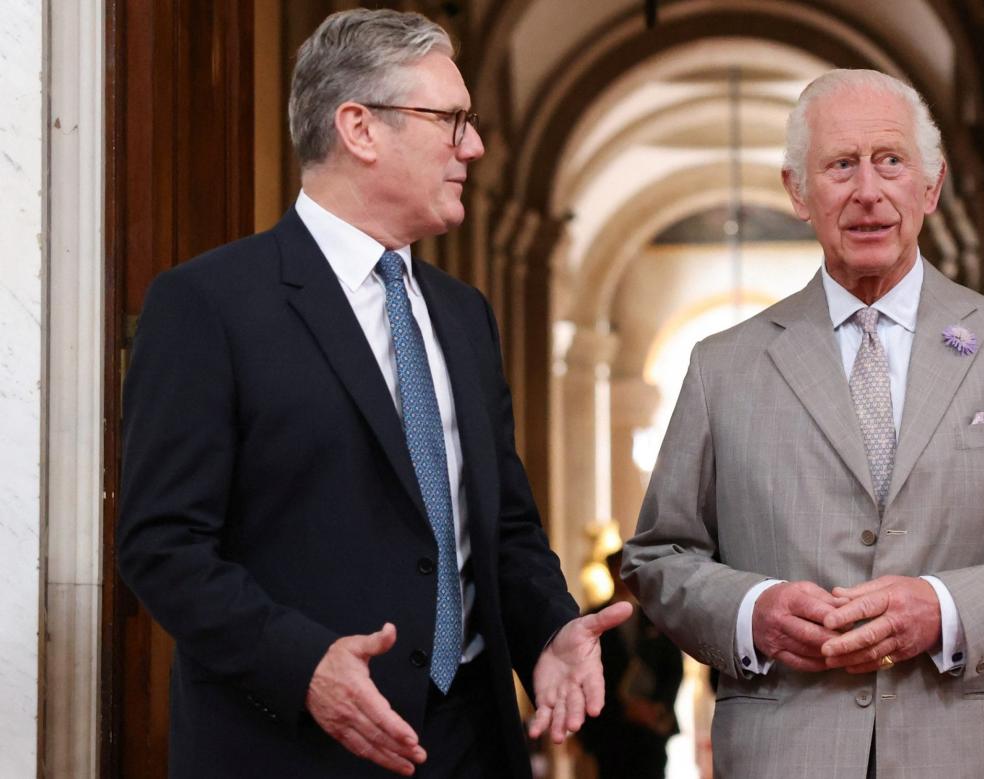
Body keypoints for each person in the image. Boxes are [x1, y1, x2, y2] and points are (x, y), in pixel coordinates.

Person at [117, 9, 629, 778]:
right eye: (451, 119)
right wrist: (305, 665)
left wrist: (550, 632)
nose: (474, 146)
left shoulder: (465, 314)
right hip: (297, 749)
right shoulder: (209, 305)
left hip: (474, 746)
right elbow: (161, 546)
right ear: (359, 129)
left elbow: (505, 530)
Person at [622, 68, 984, 778]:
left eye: (890, 160)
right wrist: (751, 612)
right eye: (840, 165)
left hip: (978, 752)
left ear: (931, 185)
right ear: (798, 190)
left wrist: (943, 607)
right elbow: (657, 557)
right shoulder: (720, 368)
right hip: (788, 753)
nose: (867, 191)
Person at [577, 551, 683, 779]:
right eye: (618, 568)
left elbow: (673, 668)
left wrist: (657, 707)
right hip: (611, 734)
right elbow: (583, 675)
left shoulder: (657, 616)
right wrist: (622, 709)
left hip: (650, 732)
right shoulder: (593, 618)